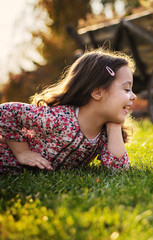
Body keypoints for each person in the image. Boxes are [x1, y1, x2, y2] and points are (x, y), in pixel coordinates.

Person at [0, 49, 137, 174]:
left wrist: (114, 125)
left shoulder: (104, 135)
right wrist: (22, 152)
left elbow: (117, 169)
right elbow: (5, 111)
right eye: (126, 89)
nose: (133, 96)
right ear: (97, 92)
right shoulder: (59, 117)